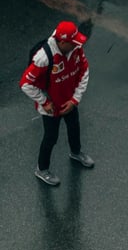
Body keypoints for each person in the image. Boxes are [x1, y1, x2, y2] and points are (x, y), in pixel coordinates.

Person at [20, 20, 94, 187]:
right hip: (51, 107)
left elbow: (84, 70)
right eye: (73, 43)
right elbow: (25, 83)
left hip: (69, 101)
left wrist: (75, 99)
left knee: (74, 126)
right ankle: (42, 169)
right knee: (50, 138)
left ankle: (76, 153)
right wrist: (44, 102)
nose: (78, 45)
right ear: (62, 42)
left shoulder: (74, 47)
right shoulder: (43, 58)